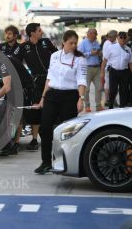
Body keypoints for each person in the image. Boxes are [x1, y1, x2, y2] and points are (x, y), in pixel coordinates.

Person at [34, 30, 87, 174]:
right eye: (71, 43)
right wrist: (43, 98)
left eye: (76, 43)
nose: (73, 45)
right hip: (52, 95)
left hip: (70, 96)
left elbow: (82, 80)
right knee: (45, 128)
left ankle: (66, 162)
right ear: (63, 42)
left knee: (68, 131)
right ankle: (46, 162)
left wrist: (81, 99)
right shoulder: (54, 56)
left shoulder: (80, 59)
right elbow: (49, 78)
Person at [0, 39, 33, 155]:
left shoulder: (3, 61)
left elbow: (7, 87)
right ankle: (7, 142)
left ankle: (14, 144)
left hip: (25, 87)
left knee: (15, 115)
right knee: (8, 114)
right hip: (14, 88)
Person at [13, 22, 58, 151]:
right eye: (39, 30)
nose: (41, 32)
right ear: (32, 33)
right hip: (37, 81)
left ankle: (51, 135)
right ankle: (34, 139)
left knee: (51, 108)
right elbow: (15, 62)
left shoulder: (46, 42)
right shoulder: (23, 46)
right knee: (36, 109)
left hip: (52, 79)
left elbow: (58, 56)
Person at [100, 31, 132, 109]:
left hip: (124, 72)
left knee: (124, 91)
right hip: (114, 71)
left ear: (126, 38)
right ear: (117, 38)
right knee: (113, 90)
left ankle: (123, 107)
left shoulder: (128, 49)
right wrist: (102, 72)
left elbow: (130, 63)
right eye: (121, 37)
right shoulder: (111, 47)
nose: (122, 39)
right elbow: (104, 61)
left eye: (124, 37)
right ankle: (111, 105)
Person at [78, 28, 103, 112]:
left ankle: (98, 106)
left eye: (96, 34)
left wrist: (99, 53)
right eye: (94, 34)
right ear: (89, 34)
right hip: (87, 68)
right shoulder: (83, 43)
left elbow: (99, 52)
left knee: (99, 88)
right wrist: (90, 53)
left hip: (97, 68)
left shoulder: (96, 42)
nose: (95, 36)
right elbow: (79, 55)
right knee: (87, 89)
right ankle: (87, 106)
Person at [101, 30, 118, 107]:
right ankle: (108, 100)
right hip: (109, 67)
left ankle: (110, 100)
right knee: (108, 85)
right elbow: (106, 58)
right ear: (113, 36)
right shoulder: (108, 44)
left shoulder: (111, 43)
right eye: (116, 36)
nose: (117, 37)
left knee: (111, 85)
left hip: (110, 66)